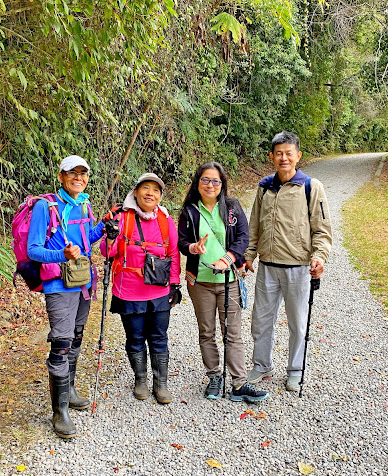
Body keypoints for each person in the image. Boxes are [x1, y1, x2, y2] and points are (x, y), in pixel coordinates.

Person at [27, 155, 120, 438]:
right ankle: (60, 411)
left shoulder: (85, 204)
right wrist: (61, 255)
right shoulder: (46, 207)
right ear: (61, 176)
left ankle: (70, 391)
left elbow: (85, 240)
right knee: (62, 343)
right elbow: (33, 250)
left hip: (83, 282)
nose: (78, 177)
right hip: (58, 285)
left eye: (83, 173)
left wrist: (104, 228)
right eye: (72, 173)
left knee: (77, 338)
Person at [244, 131, 333, 392]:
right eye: (279, 153)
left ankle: (295, 370)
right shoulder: (264, 187)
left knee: (298, 322)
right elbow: (254, 227)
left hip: (298, 267)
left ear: (298, 156)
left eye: (289, 153)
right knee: (261, 320)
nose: (284, 158)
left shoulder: (310, 187)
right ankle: (262, 365)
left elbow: (322, 229)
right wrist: (249, 255)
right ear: (271, 156)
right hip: (268, 267)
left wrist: (319, 256)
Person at [178, 162, 268, 403]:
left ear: (222, 184)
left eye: (215, 181)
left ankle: (239, 383)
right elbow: (181, 242)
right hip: (200, 282)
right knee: (206, 331)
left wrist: (228, 258)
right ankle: (214, 377)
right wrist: (193, 248)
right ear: (198, 183)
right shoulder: (189, 211)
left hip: (229, 280)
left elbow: (243, 237)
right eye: (205, 180)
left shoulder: (232, 207)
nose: (210, 185)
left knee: (233, 332)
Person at [101, 173, 181, 404]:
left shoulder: (165, 220)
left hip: (158, 290)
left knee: (159, 336)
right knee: (135, 337)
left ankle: (161, 384)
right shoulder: (122, 218)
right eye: (145, 188)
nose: (150, 193)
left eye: (155, 190)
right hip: (129, 290)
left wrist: (174, 284)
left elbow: (173, 253)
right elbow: (106, 253)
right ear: (135, 192)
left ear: (160, 196)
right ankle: (140, 380)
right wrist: (111, 237)